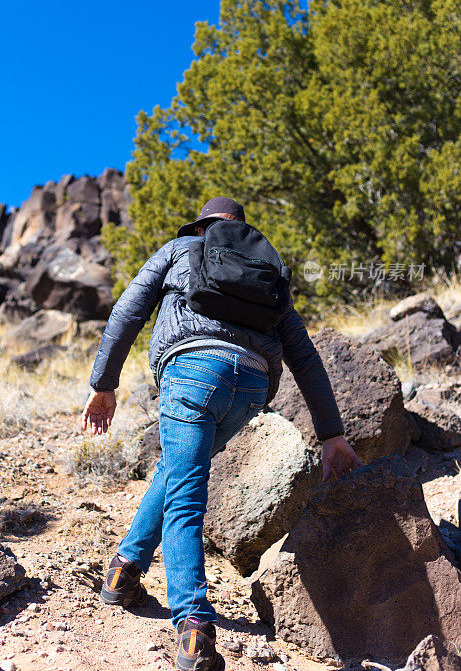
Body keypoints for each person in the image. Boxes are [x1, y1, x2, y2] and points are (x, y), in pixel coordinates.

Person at [82, 196, 363, 671]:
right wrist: (332, 434)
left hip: (192, 373)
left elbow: (129, 310)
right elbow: (304, 354)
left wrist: (104, 385)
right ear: (241, 229)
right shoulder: (266, 270)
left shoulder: (180, 249)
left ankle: (192, 625)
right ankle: (123, 573)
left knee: (186, 496)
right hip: (250, 386)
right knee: (177, 471)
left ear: (204, 224)